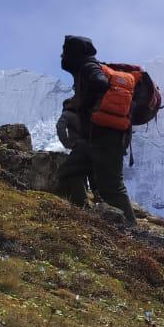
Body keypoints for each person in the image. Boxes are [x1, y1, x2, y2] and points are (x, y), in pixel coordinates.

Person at [56, 35, 136, 225]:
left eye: (65, 51)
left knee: (111, 188)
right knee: (69, 171)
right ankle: (84, 218)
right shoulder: (87, 68)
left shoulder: (89, 67)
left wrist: (84, 104)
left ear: (74, 53)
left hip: (106, 137)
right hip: (94, 137)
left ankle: (132, 232)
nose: (62, 56)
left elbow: (100, 82)